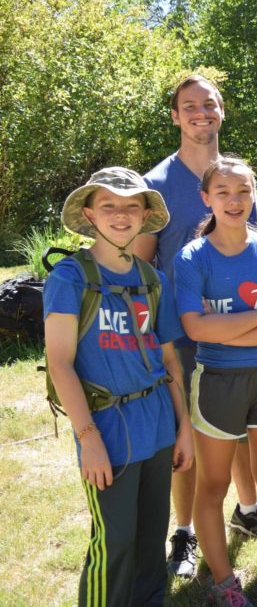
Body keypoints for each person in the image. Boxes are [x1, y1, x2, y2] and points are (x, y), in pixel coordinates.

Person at [44, 167, 193, 606]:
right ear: (89, 213)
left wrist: (183, 426)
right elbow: (60, 362)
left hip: (158, 424)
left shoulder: (152, 279)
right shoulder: (71, 278)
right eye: (109, 205)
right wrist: (87, 438)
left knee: (151, 539)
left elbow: (169, 360)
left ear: (145, 213)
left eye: (132, 205)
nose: (121, 215)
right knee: (115, 543)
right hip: (108, 430)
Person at [135, 74, 257, 579]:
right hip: (180, 337)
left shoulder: (236, 176)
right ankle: (183, 533)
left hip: (239, 329)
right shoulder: (155, 185)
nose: (200, 113)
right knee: (185, 439)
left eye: (209, 104)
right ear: (175, 116)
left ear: (222, 111)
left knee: (241, 429)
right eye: (189, 106)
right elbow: (143, 269)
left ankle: (248, 512)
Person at [174, 158, 257, 606]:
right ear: (206, 198)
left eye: (243, 191)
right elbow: (196, 329)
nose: (234, 201)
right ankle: (225, 583)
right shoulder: (193, 257)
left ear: (254, 196)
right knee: (212, 486)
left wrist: (229, 325)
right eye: (223, 192)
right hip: (217, 383)